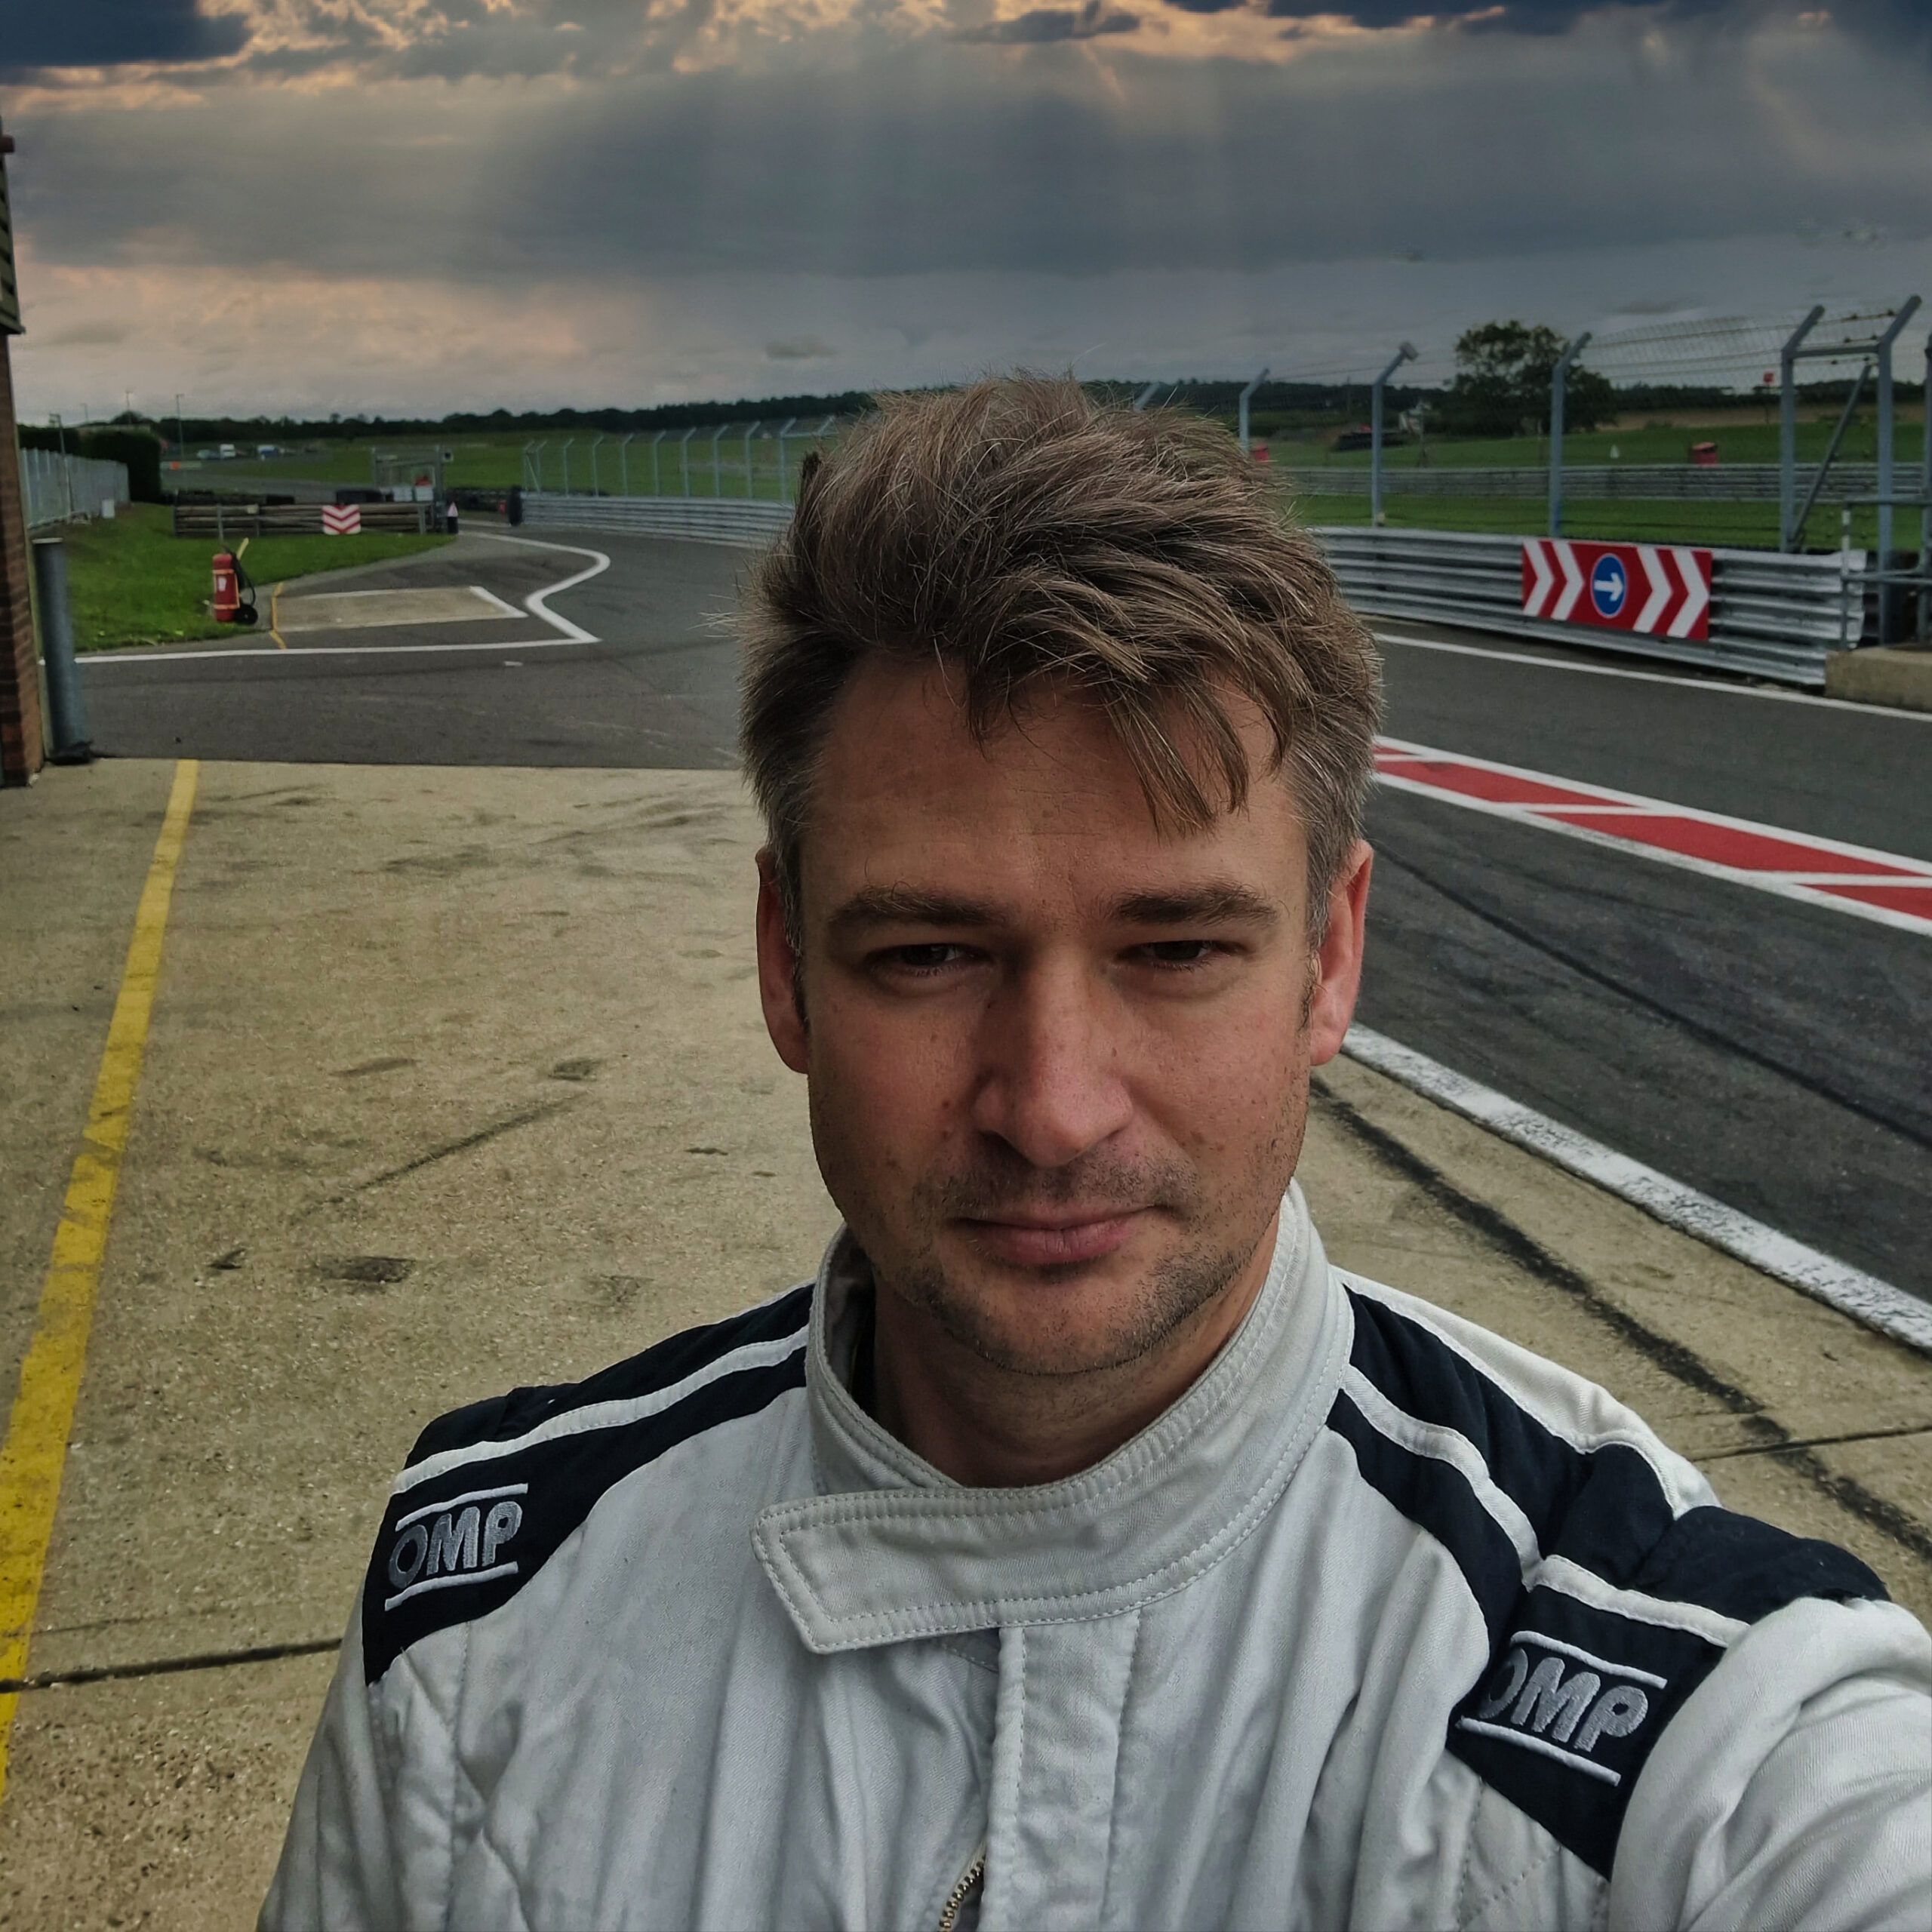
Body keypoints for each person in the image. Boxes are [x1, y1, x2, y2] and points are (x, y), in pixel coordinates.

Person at [263, 378, 1929, 1930]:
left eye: (1177, 948)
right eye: (928, 953)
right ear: (784, 962)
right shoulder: (471, 1628)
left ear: (1330, 957)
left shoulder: (1698, 1716)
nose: (1052, 1108)